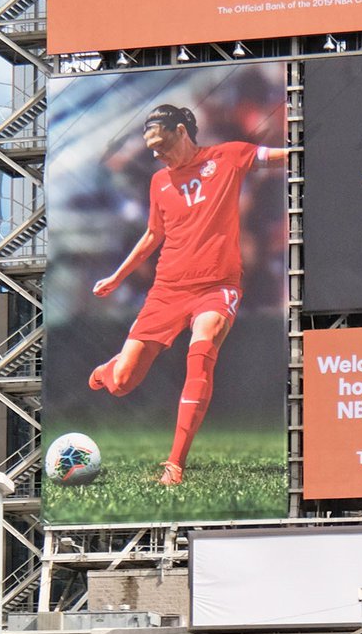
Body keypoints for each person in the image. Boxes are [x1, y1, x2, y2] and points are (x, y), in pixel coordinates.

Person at [89, 103, 286, 485]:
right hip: (166, 291)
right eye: (151, 149)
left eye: (161, 144)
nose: (157, 154)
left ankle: (174, 464)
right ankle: (107, 370)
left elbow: (275, 157)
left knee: (201, 352)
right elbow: (152, 236)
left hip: (217, 287)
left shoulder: (227, 157)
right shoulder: (159, 182)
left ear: (182, 131)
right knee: (123, 382)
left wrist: (320, 148)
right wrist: (116, 277)